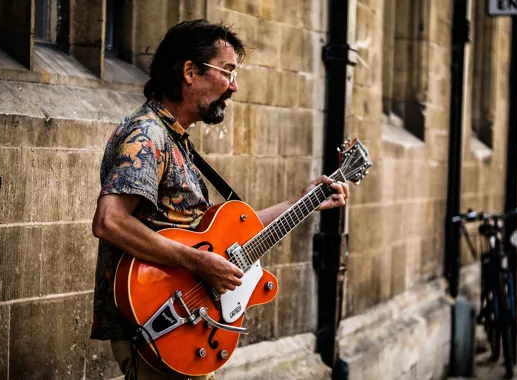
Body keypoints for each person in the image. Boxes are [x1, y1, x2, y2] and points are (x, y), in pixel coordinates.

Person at [90, 19, 350, 380]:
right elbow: (110, 222)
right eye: (227, 71)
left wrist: (302, 201)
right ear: (190, 72)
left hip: (186, 325)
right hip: (159, 322)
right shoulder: (147, 135)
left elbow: (218, 236)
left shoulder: (175, 139)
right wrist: (199, 263)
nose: (235, 86)